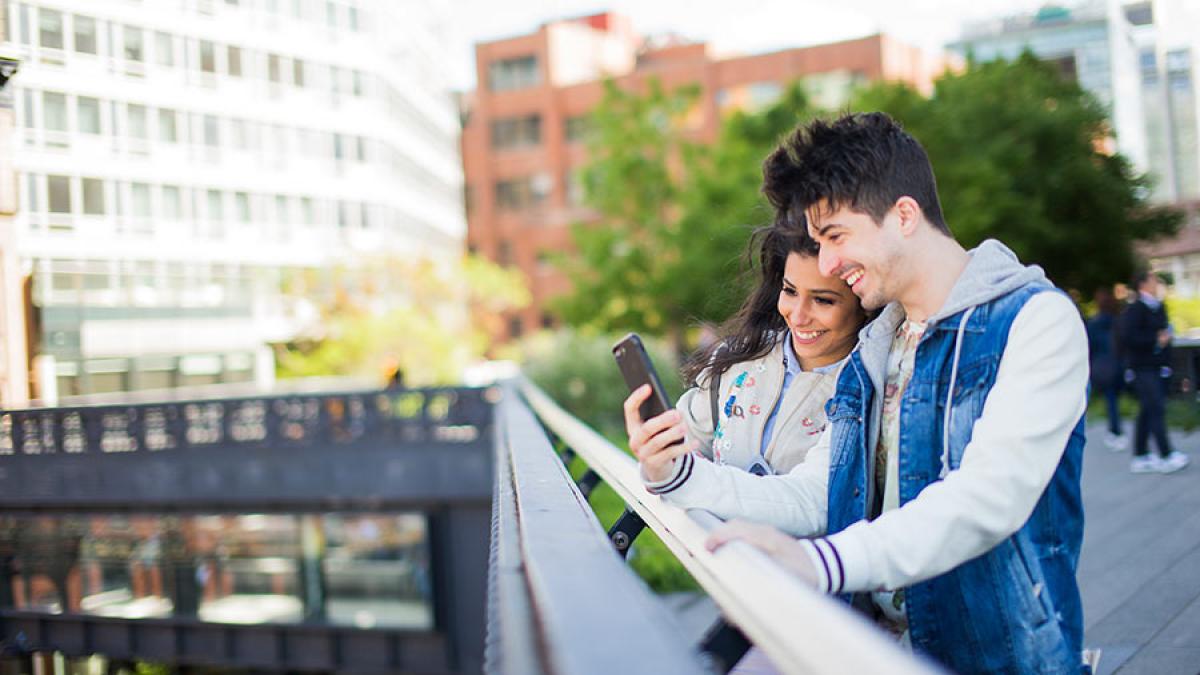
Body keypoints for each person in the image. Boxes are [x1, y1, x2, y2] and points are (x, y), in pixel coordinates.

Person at [626, 112, 1090, 673]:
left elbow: (986, 501)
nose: (827, 263)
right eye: (819, 242)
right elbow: (818, 495)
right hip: (868, 650)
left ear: (904, 215)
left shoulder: (1035, 321)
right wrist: (678, 474)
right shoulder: (875, 346)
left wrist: (818, 563)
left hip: (998, 656)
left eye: (836, 236)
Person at [649, 221, 867, 484]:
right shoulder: (734, 359)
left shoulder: (870, 390)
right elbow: (684, 451)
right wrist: (656, 460)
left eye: (823, 300)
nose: (798, 316)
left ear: (863, 302)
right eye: (790, 291)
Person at [1120, 271, 1189, 474]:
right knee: (1156, 408)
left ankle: (1141, 455)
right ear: (1142, 284)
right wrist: (1155, 340)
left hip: (1158, 365)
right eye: (1152, 281)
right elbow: (1130, 338)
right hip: (1142, 367)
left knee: (1146, 410)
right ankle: (1166, 454)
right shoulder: (1135, 309)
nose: (1156, 284)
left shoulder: (1159, 306)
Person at [1086, 287, 1126, 450]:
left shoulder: (1094, 324)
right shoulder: (1118, 322)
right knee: (1116, 399)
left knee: (1111, 401)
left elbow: (1090, 346)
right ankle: (1118, 431)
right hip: (1118, 364)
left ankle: (1115, 431)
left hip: (1101, 365)